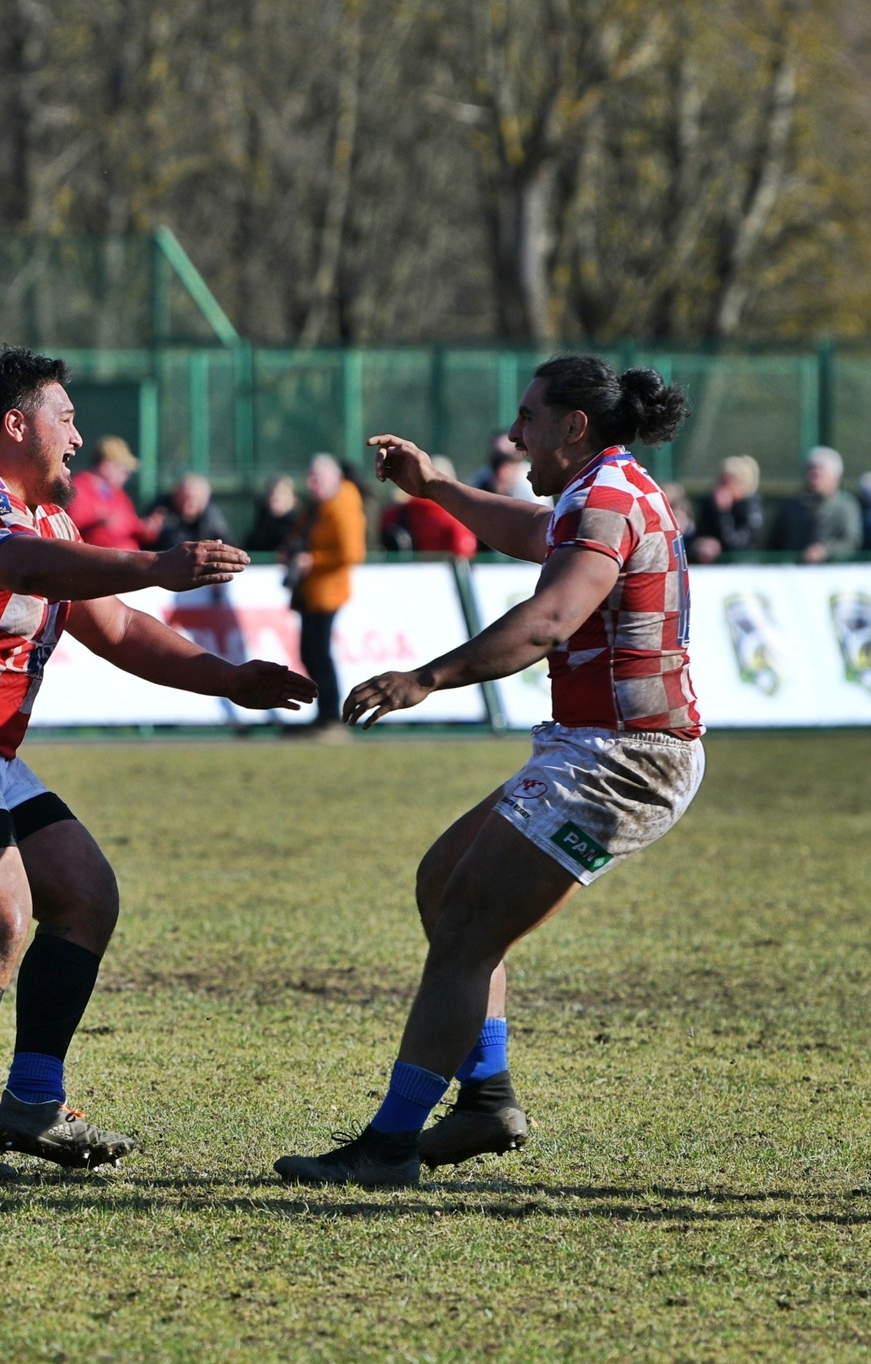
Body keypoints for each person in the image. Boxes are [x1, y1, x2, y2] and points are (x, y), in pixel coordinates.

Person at [0, 346, 313, 1179]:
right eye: (67, 418)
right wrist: (158, 564)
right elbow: (16, 567)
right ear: (16, 425)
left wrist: (231, 678)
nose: (80, 438)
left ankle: (33, 1104)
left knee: (85, 895)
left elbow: (117, 631)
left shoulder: (50, 522)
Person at [275, 356, 703, 1187]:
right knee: (444, 885)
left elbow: (548, 621)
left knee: (467, 927)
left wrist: (424, 678)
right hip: (596, 747)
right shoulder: (602, 489)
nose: (515, 435)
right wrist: (435, 487)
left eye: (530, 418)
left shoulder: (608, 498)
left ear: (574, 425)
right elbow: (526, 533)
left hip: (628, 759)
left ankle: (390, 1145)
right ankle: (485, 1097)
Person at [290, 454, 366, 728]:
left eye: (317, 478)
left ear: (334, 478)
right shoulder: (319, 506)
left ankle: (331, 716)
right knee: (311, 652)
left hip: (328, 591)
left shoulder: (343, 503)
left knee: (318, 653)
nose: (311, 483)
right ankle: (325, 714)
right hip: (313, 592)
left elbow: (353, 552)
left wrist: (313, 560)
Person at [767, 446, 861, 563]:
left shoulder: (847, 506)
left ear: (835, 477)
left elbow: (851, 541)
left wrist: (825, 550)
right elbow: (773, 543)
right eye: (811, 470)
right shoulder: (790, 506)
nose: (814, 476)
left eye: (820, 471)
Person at [379, 455, 477, 557]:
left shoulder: (395, 512)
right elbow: (464, 552)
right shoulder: (455, 516)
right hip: (441, 570)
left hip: (404, 570)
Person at [65, 436, 149, 550]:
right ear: (105, 466)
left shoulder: (118, 494)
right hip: (96, 561)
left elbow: (132, 526)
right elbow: (73, 528)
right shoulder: (79, 488)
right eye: (123, 469)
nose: (126, 476)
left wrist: (147, 528)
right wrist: (98, 523)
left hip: (126, 559)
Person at [688, 454, 764, 563]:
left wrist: (724, 513)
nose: (721, 488)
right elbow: (698, 535)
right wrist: (701, 545)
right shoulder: (710, 503)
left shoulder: (751, 508)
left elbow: (739, 546)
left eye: (726, 483)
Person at [149, 472, 233, 550]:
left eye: (192, 501)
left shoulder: (212, 518)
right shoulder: (161, 510)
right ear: (175, 496)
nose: (186, 506)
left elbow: (226, 543)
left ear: (204, 501)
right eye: (182, 499)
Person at [243, 474, 299, 552]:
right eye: (271, 493)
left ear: (292, 497)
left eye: (280, 493)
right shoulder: (262, 524)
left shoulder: (299, 524)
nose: (274, 498)